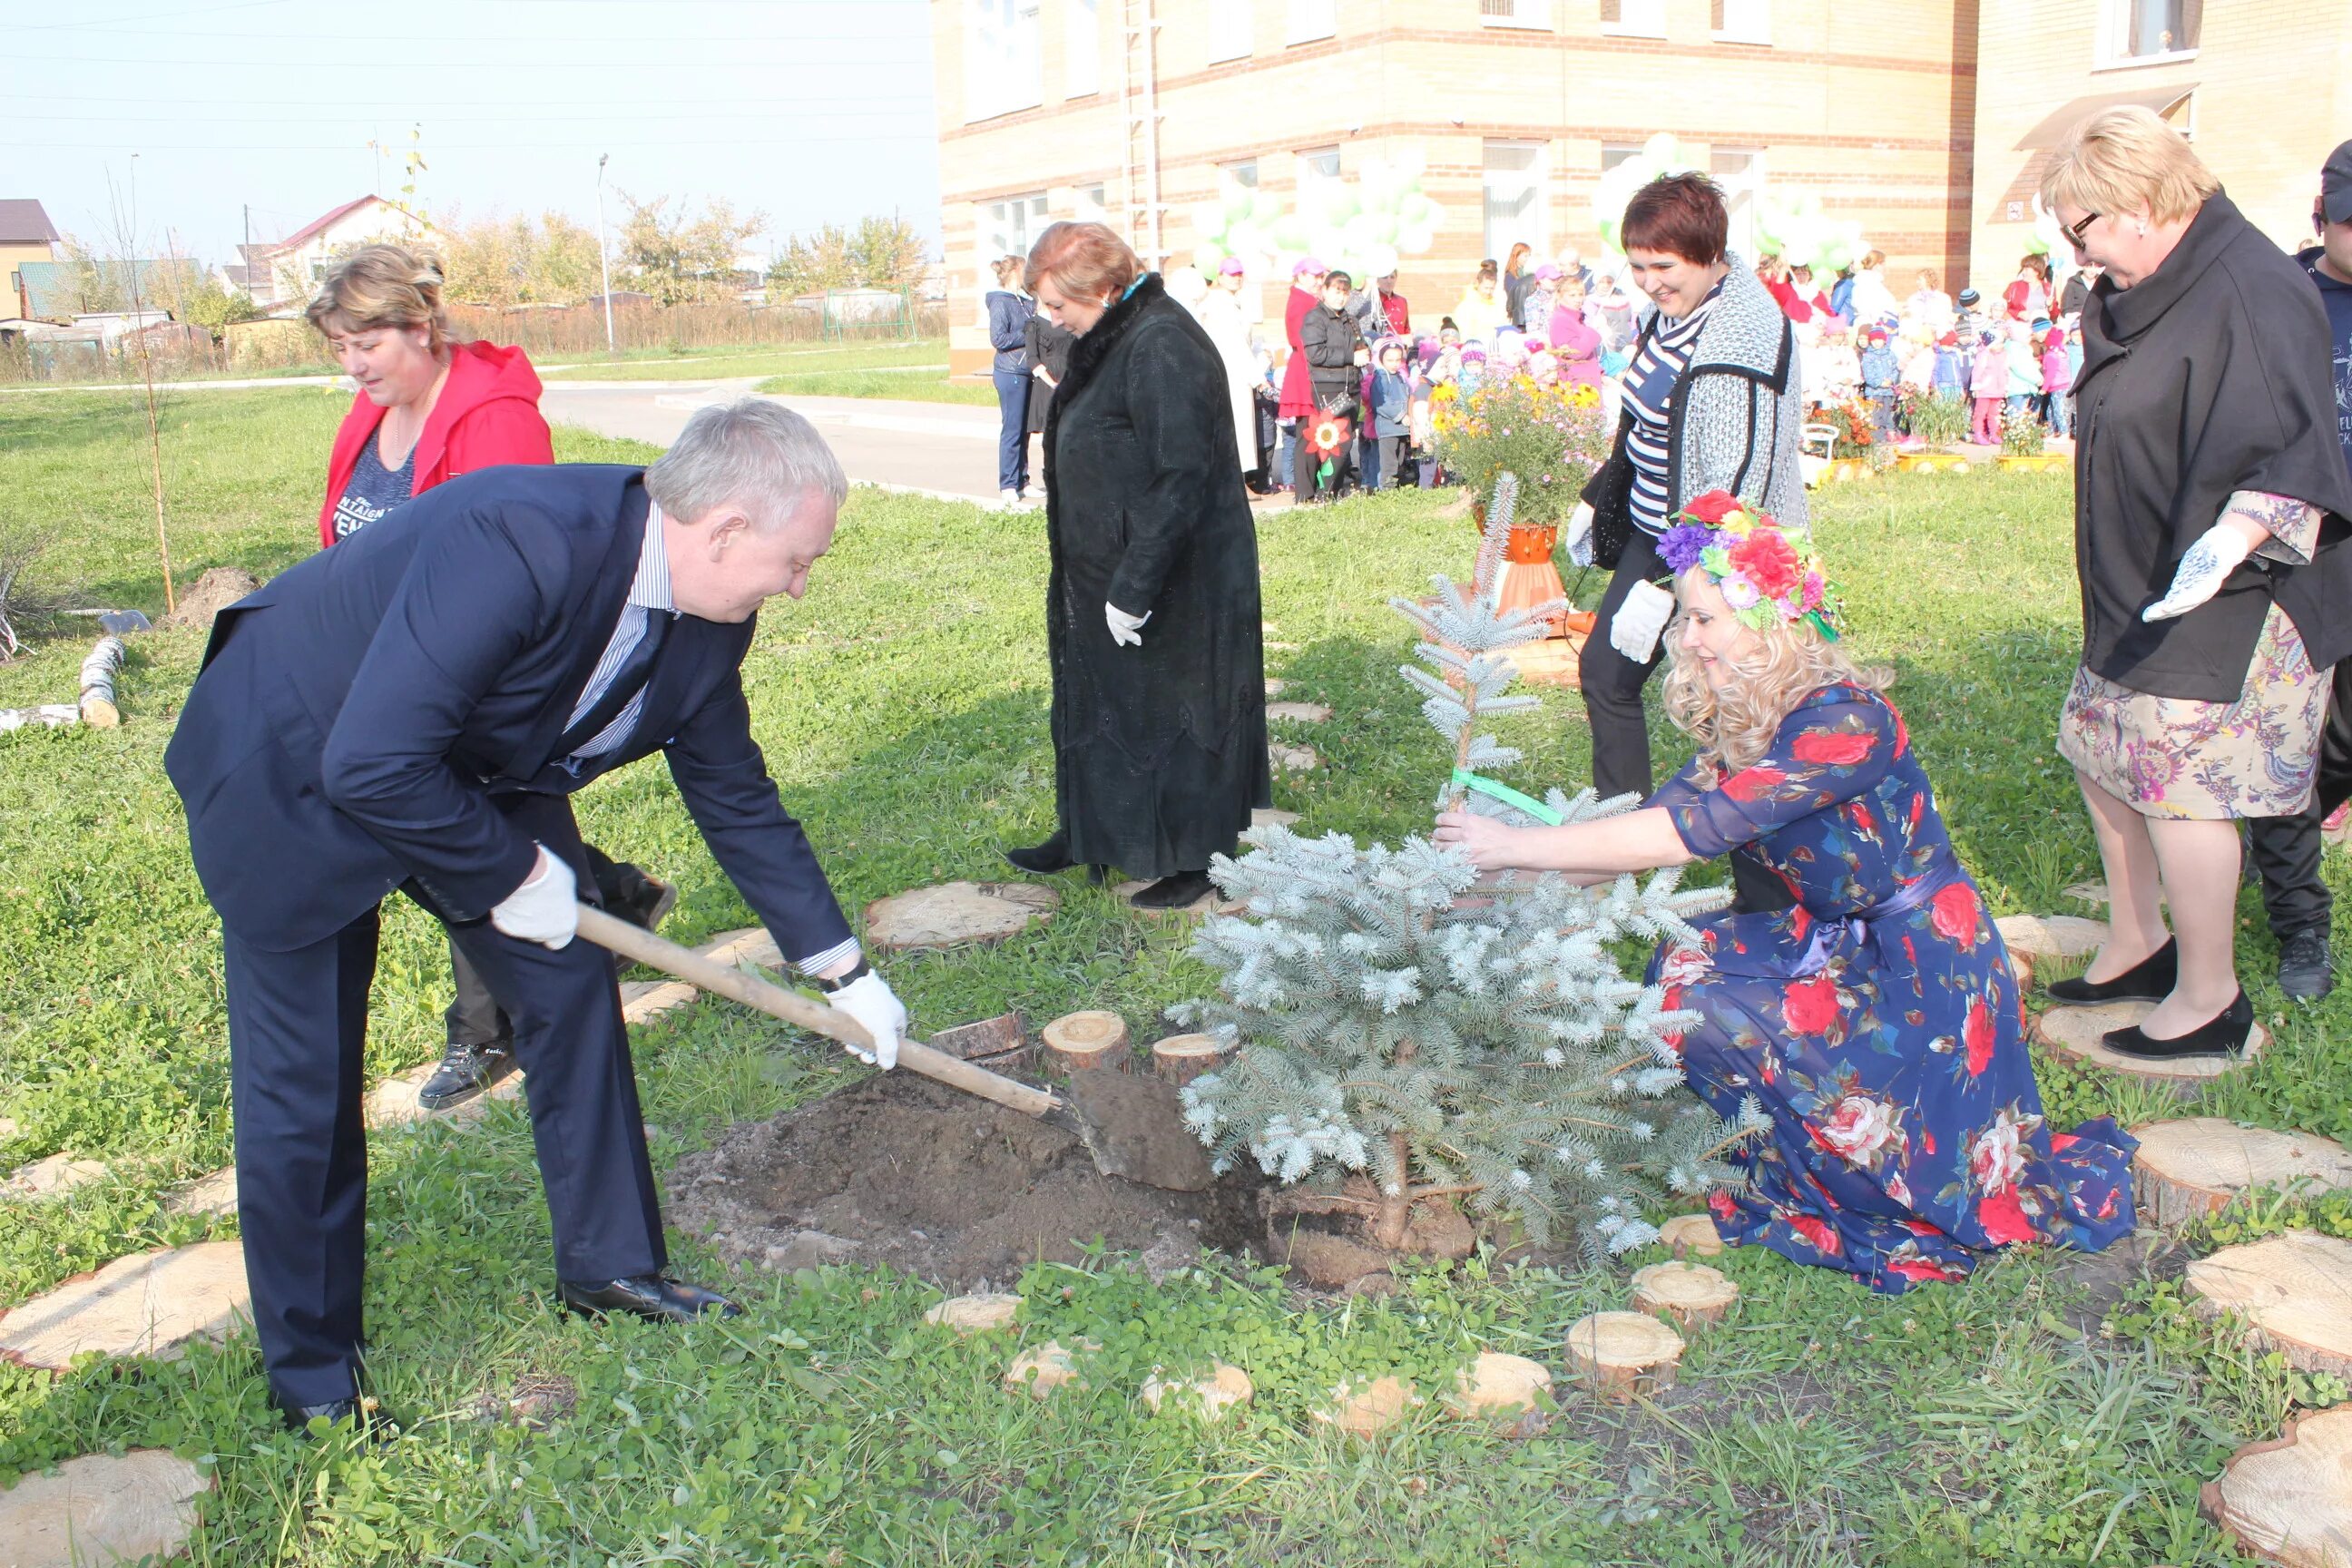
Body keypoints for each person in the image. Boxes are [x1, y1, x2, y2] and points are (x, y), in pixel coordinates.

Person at [163, 400, 912, 1434]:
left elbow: (737, 798)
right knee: (306, 1082)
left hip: (476, 754)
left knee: (568, 990)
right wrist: (513, 873)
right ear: (726, 528)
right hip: (297, 758)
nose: (800, 583)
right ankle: (313, 1378)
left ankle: (610, 1268)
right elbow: (372, 760)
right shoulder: (517, 540)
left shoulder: (708, 626)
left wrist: (844, 972)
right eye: (795, 560)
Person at [1435, 495, 2135, 1292]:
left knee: (1706, 1000)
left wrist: (1514, 842)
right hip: (1837, 938)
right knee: (1684, 974)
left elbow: (1690, 836)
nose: (1686, 641)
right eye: (1685, 621)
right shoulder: (1755, 719)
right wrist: (1497, 878)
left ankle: (1868, 1178)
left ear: (1769, 625)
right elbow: (1654, 823)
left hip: (1922, 969)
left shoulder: (1847, 724)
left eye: (1704, 621)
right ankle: (1811, 1157)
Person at [307, 242, 674, 1116]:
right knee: (447, 844)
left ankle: (482, 1030)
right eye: (341, 346)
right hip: (385, 662)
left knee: (451, 843)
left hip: (472, 680)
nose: (353, 364)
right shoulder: (372, 412)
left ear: (422, 325)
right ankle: (611, 895)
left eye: (368, 342)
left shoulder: (495, 420)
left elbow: (528, 571)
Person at [2042, 106, 2352, 1059]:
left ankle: (2210, 1000)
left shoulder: (2251, 286)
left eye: (2081, 229)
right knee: (2099, 746)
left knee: (2184, 785)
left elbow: (2296, 444)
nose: (2079, 253)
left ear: (2134, 203)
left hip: (2236, 593)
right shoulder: (2159, 283)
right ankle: (2140, 943)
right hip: (2144, 577)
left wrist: (2232, 538)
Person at [1004, 221, 1271, 910]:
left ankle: (1196, 858)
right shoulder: (1115, 332)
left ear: (1107, 289)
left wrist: (1134, 585)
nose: (1048, 317)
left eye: (1059, 304)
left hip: (1177, 573)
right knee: (1104, 699)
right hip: (1106, 559)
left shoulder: (1161, 344)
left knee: (1178, 710)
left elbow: (1181, 474)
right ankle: (1094, 834)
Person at [1565, 172, 1806, 816]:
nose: (1648, 281)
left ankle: (1758, 861)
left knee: (1731, 704)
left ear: (1708, 253)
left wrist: (1693, 591)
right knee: (1607, 674)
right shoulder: (1673, 312)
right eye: (1638, 266)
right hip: (1659, 537)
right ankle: (1622, 839)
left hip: (1719, 557)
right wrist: (1600, 492)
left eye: (1662, 265)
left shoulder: (1738, 342)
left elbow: (1737, 493)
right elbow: (1646, 422)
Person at [2245, 137, 2352, 1002]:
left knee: (2340, 746)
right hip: (2305, 551)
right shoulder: (2281, 297)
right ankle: (2299, 921)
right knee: (2290, 739)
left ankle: (2284, 832)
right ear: (2323, 220)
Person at [1299, 268, 1371, 501]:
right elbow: (1316, 354)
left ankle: (1333, 490)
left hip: (1351, 385)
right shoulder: (1315, 318)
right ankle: (1325, 491)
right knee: (1337, 441)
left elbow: (1359, 346)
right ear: (1325, 291)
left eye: (1345, 292)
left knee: (1343, 442)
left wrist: (1364, 352)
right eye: (1336, 291)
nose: (1341, 296)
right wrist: (1351, 356)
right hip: (1328, 386)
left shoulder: (1350, 319)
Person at [1196, 258, 1261, 483]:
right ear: (1220, 276)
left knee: (1238, 427)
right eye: (1231, 274)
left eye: (1239, 274)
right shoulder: (1219, 304)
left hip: (1236, 371)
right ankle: (1234, 480)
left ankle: (1237, 479)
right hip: (1231, 372)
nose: (1237, 278)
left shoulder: (1231, 302)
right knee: (1237, 427)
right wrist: (1258, 378)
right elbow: (1236, 344)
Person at [985, 256, 1035, 505]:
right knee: (1013, 429)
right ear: (1016, 271)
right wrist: (1028, 330)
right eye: (1024, 270)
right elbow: (999, 339)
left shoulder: (1024, 300)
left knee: (1025, 429)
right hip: (1010, 372)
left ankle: (1022, 480)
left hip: (1028, 371)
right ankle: (1007, 483)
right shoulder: (1000, 302)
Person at [1276, 257, 1328, 489]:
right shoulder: (1300, 301)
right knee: (1307, 432)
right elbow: (1301, 340)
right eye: (1315, 276)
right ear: (1301, 275)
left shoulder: (1308, 299)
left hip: (1310, 369)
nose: (1319, 280)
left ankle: (1310, 485)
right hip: (1306, 372)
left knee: (1312, 431)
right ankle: (1305, 487)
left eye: (1321, 276)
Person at [1022, 304, 1076, 484]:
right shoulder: (1034, 324)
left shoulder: (1068, 320)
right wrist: (1053, 383)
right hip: (1048, 385)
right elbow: (1032, 359)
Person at [1367, 339, 1412, 490]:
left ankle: (1395, 486)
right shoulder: (1380, 378)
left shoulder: (1400, 378)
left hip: (1401, 428)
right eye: (1390, 360)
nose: (1394, 363)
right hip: (1388, 429)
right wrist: (1401, 416)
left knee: (1399, 459)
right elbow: (1381, 403)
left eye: (1398, 360)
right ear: (1382, 360)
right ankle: (1387, 489)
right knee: (1389, 462)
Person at [1550, 273, 1603, 391]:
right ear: (1560, 295)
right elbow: (1575, 352)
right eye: (1572, 295)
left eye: (1580, 294)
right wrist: (1594, 330)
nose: (1578, 299)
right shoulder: (1561, 319)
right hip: (1576, 383)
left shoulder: (1577, 318)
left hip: (1585, 381)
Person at [1451, 260, 1512, 341]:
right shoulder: (1467, 305)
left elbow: (1505, 324)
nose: (1488, 291)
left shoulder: (1498, 303)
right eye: (1486, 288)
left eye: (1492, 288)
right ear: (1478, 283)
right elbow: (1464, 333)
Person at [1968, 328, 2006, 445]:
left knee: (1994, 414)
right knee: (1980, 414)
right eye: (1998, 343)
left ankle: (1994, 434)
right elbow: (1977, 371)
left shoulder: (2002, 355)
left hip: (1998, 390)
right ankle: (1978, 434)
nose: (2001, 346)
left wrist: (2006, 385)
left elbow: (2005, 371)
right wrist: (1976, 386)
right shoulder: (1983, 355)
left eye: (2001, 343)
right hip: (1984, 389)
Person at [1846, 249, 1899, 328]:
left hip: (1880, 328)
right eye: (1883, 264)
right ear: (1877, 265)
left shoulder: (1871, 282)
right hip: (1873, 330)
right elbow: (1867, 310)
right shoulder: (1867, 283)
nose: (1885, 268)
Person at [2039, 324, 2073, 435]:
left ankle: (2064, 433)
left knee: (2058, 411)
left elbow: (2050, 374)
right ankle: (2052, 431)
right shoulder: (2062, 353)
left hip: (2056, 386)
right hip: (2063, 385)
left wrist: (2044, 388)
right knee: (2051, 409)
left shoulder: (2051, 356)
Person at [2003, 252, 2052, 322]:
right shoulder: (2014, 287)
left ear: (2036, 271)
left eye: (2026, 269)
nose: (2023, 272)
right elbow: (2003, 309)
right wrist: (2018, 314)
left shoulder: (2048, 288)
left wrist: (2050, 306)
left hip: (2039, 328)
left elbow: (2054, 315)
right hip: (2018, 326)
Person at [1906, 267, 1955, 331]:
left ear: (1929, 280)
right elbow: (1909, 318)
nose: (1917, 282)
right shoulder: (1912, 299)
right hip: (1918, 333)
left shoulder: (1943, 298)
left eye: (1919, 280)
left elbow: (1948, 319)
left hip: (1938, 332)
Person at [1501, 241, 1534, 328]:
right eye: (1525, 256)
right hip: (1520, 318)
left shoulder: (1527, 273)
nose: (1527, 259)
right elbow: (1515, 297)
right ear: (1516, 256)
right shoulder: (1510, 276)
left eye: (1529, 256)